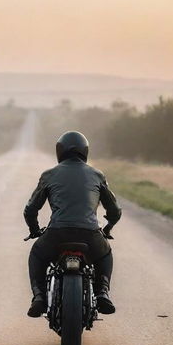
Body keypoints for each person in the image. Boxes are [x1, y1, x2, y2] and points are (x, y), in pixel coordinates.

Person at [23, 131, 122, 318]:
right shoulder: (97, 175)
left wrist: (34, 230)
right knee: (105, 254)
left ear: (59, 151)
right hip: (90, 234)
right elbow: (115, 211)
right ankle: (102, 292)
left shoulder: (49, 175)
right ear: (85, 151)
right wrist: (107, 228)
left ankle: (39, 297)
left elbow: (30, 210)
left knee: (37, 255)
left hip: (57, 233)